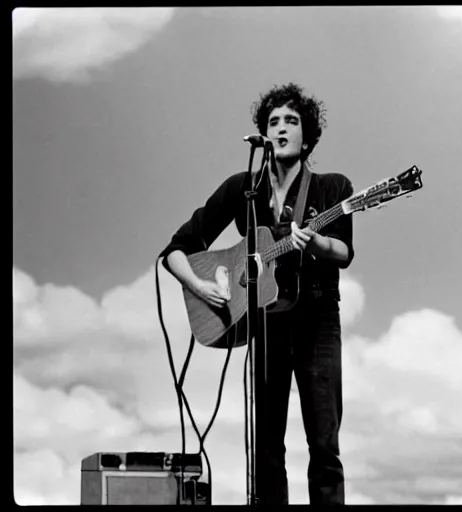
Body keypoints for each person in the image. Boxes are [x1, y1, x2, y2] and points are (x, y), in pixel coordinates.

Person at [160, 82, 355, 505]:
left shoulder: (331, 187)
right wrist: (202, 286)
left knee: (324, 445)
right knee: (266, 448)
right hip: (266, 325)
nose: (282, 128)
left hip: (318, 321)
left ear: (308, 137)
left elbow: (343, 252)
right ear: (263, 136)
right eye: (273, 122)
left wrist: (316, 242)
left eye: (292, 121)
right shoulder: (243, 190)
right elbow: (175, 250)